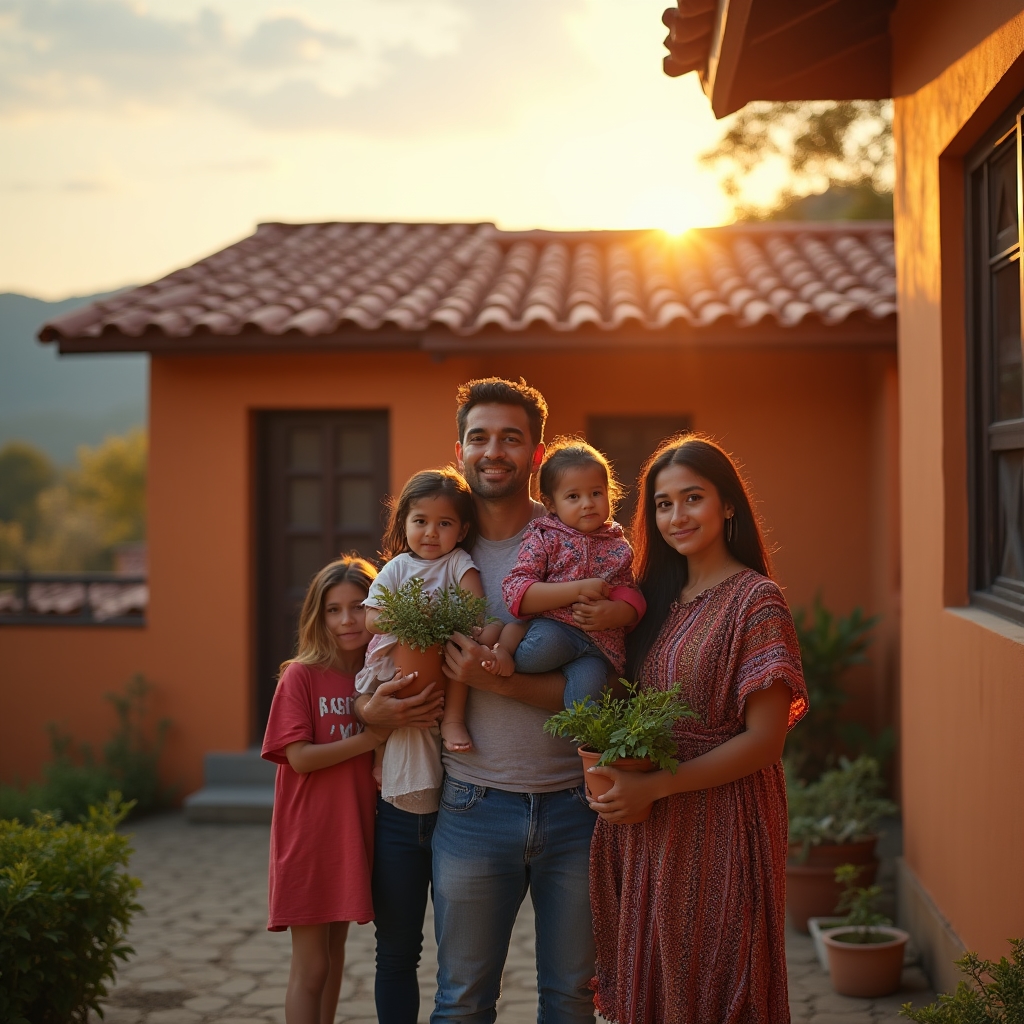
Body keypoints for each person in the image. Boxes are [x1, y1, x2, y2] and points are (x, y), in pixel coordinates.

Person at [359, 376, 638, 1024]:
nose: (494, 450)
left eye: (511, 438)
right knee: (461, 1001)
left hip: (576, 803)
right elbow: (371, 659)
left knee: (571, 998)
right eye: (480, 437)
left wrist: (502, 681)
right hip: (473, 803)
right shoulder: (435, 544)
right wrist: (371, 717)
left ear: (536, 454)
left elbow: (606, 682)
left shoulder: (576, 541)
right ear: (459, 450)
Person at [587, 435, 809, 1024]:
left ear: (727, 505)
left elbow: (765, 741)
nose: (676, 516)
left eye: (692, 499)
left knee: (717, 984)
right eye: (663, 504)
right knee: (656, 988)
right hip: (648, 830)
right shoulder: (651, 597)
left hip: (723, 824)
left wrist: (657, 786)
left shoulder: (755, 602)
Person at [261, 556, 388, 1024]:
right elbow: (299, 758)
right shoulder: (301, 675)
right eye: (333, 610)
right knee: (311, 966)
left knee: (335, 959)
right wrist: (370, 738)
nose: (347, 620)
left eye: (358, 607)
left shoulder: (374, 678)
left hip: (353, 832)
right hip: (310, 836)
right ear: (318, 617)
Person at [359, 467, 521, 808]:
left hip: (445, 651)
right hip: (396, 658)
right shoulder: (398, 567)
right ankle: (380, 756)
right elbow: (371, 618)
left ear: (462, 530)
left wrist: (470, 628)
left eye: (444, 524)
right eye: (420, 521)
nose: (431, 533)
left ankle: (453, 720)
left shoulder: (458, 562)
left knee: (465, 650)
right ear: (404, 523)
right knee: (388, 704)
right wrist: (405, 618)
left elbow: (475, 610)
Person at [502, 437, 646, 708]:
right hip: (557, 628)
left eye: (596, 493)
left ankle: (584, 750)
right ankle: (511, 637)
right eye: (573, 496)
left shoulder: (617, 544)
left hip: (597, 646)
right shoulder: (544, 536)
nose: (587, 504)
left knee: (588, 701)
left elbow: (631, 591)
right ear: (552, 504)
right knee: (539, 652)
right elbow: (516, 588)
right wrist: (578, 590)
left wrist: (620, 612)